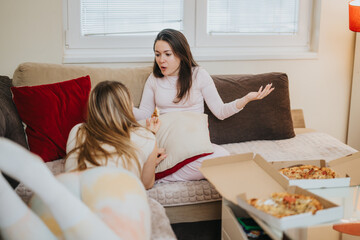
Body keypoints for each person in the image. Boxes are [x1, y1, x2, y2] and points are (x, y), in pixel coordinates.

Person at [133, 28, 274, 182]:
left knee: (223, 157)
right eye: (157, 54)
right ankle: (160, 172)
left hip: (193, 141)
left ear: (180, 54)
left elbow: (220, 111)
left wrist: (246, 99)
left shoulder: (199, 75)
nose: (161, 60)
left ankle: (162, 177)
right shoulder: (154, 79)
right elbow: (145, 114)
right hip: (167, 142)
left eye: (167, 54)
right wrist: (124, 107)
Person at [0, 137, 151, 240]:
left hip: (67, 181)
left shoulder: (77, 129)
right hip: (117, 182)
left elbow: (70, 165)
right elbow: (147, 183)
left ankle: (15, 192)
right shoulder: (144, 136)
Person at [65, 81, 166, 190]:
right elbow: (146, 184)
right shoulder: (146, 138)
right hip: (118, 202)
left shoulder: (77, 130)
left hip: (77, 200)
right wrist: (149, 161)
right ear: (127, 107)